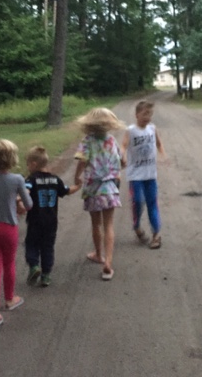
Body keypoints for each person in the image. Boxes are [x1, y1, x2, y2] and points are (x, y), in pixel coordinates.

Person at [0, 139, 32, 330]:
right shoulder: (17, 179)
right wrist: (20, 198)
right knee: (8, 263)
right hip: (8, 228)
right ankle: (10, 299)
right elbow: (28, 205)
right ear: (12, 159)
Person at [74, 108, 126, 281]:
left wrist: (77, 176)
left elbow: (82, 161)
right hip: (110, 188)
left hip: (92, 189)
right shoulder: (112, 140)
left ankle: (98, 254)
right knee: (109, 225)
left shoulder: (87, 141)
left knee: (96, 224)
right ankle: (108, 262)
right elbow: (122, 161)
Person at [24, 146, 80, 287]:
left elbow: (26, 192)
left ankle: (34, 266)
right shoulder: (55, 180)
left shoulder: (31, 179)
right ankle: (46, 275)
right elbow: (67, 191)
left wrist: (18, 199)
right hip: (51, 221)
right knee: (48, 247)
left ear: (34, 164)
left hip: (35, 220)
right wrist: (78, 186)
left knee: (31, 244)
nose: (27, 167)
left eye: (28, 164)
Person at [120, 100, 166, 250]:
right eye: (145, 114)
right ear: (137, 115)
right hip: (135, 175)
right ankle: (137, 226)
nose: (148, 117)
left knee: (152, 203)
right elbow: (124, 145)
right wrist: (122, 155)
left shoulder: (152, 128)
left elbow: (159, 143)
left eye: (150, 114)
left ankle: (156, 235)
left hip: (150, 174)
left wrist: (163, 155)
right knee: (138, 202)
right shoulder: (131, 130)